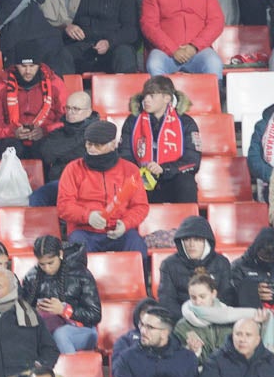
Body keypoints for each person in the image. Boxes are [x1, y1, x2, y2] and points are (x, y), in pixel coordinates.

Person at [57, 119, 149, 255]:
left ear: (113, 144)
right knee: (77, 248)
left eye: (98, 145)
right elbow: (64, 205)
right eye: (89, 144)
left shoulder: (130, 170)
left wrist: (125, 224)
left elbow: (140, 206)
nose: (92, 149)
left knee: (137, 245)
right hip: (84, 231)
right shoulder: (73, 169)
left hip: (120, 231)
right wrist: (88, 216)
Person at [122, 75, 201, 203]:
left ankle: (189, 222)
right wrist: (141, 172)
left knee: (187, 183)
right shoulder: (133, 121)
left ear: (167, 98)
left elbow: (193, 161)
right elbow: (124, 155)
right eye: (145, 95)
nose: (146, 100)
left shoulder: (186, 122)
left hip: (172, 179)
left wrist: (164, 169)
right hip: (142, 180)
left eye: (152, 96)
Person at [109, 303, 196, 377]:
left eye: (150, 327)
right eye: (142, 325)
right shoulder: (126, 358)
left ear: (164, 333)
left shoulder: (187, 358)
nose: (143, 331)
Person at [19, 236, 101, 354]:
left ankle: (70, 372)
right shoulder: (32, 276)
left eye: (51, 263)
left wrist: (65, 310)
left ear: (60, 254)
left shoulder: (80, 274)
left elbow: (95, 314)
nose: (47, 268)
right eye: (42, 264)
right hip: (46, 327)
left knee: (61, 334)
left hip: (82, 330)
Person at [0, 59, 67, 160]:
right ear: (16, 66)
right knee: (11, 151)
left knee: (47, 150)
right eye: (23, 66)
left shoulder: (55, 83)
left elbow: (65, 119)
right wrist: (12, 132)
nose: (28, 71)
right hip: (11, 136)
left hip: (45, 135)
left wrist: (45, 131)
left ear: (39, 65)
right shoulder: (1, 85)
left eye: (32, 66)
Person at [27, 90, 95, 205]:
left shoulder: (98, 132)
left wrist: (60, 151)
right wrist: (78, 142)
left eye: (76, 109)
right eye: (68, 108)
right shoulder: (58, 132)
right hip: (61, 182)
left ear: (88, 112)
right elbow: (47, 154)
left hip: (89, 183)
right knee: (37, 198)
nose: (70, 112)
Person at [195, 316, 274, 377]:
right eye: (238, 334)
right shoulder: (215, 360)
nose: (242, 339)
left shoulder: (271, 362)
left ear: (257, 340)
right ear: (232, 336)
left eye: (248, 335)